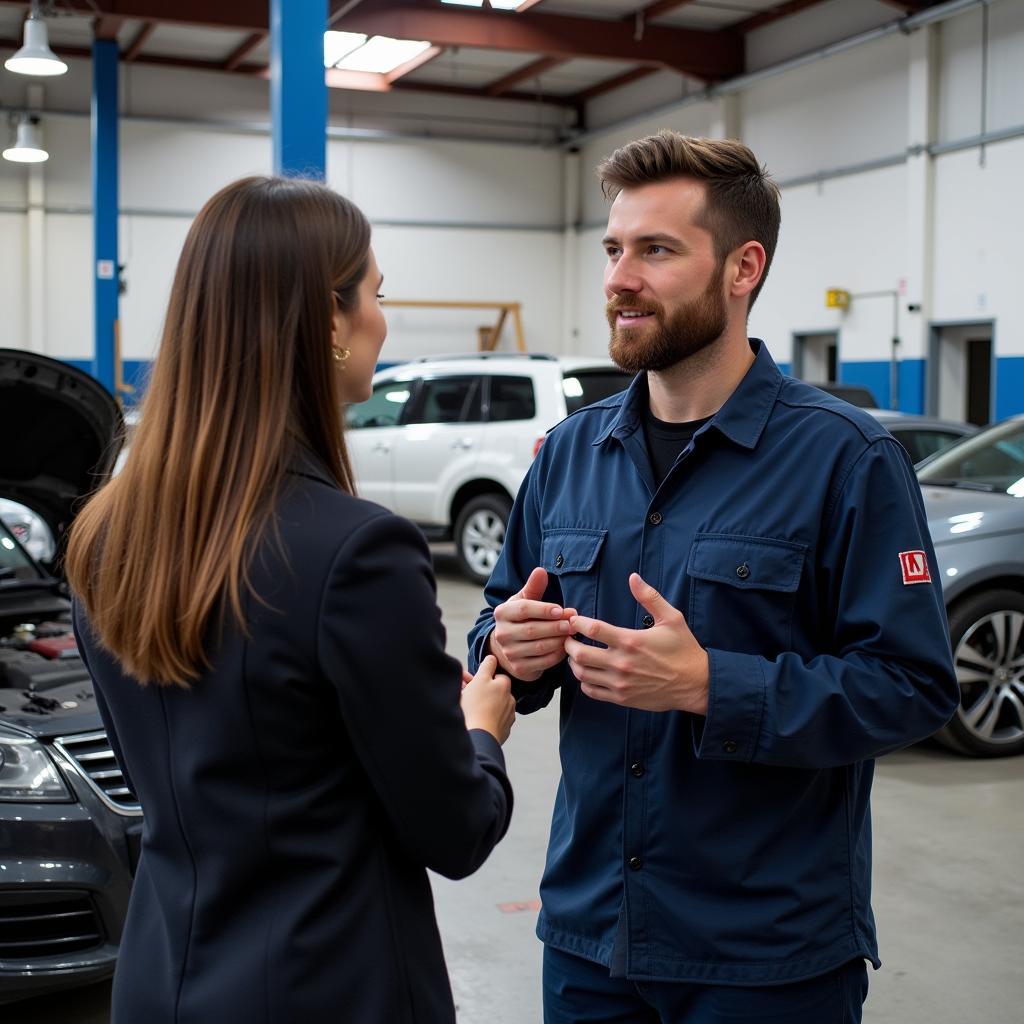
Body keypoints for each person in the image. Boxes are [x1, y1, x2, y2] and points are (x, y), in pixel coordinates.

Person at [468, 132, 959, 1023]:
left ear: (743, 268)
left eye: (656, 250)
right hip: (588, 943)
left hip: (766, 962)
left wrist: (710, 686)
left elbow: (914, 687)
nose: (620, 278)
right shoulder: (569, 454)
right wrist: (509, 647)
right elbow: (496, 625)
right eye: (614, 249)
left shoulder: (846, 460)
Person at [66, 175, 516, 1024]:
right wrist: (481, 729)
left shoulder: (102, 539)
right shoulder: (359, 554)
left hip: (161, 981)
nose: (384, 318)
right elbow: (454, 830)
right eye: (376, 295)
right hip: (325, 988)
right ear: (328, 322)